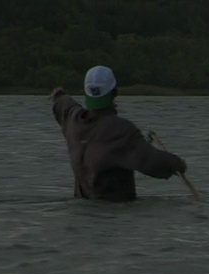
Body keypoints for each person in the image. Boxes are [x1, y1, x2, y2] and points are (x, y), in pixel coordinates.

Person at [49, 65, 187, 202]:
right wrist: (177, 164)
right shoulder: (120, 130)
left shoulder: (73, 122)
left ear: (86, 92)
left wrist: (59, 95)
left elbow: (63, 104)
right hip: (115, 215)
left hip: (83, 213)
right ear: (115, 92)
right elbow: (151, 162)